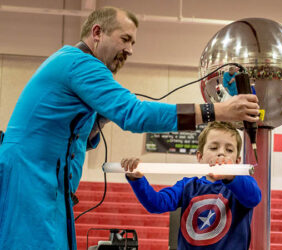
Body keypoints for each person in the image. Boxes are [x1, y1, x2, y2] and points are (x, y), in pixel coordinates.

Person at [0, 6, 260, 250]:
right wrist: (216, 111)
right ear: (97, 33)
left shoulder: (69, 64)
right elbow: (135, 115)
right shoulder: (81, 64)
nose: (131, 49)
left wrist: (100, 120)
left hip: (45, 184)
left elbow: (74, 135)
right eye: (125, 39)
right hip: (31, 182)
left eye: (133, 42)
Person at [122, 121, 261, 249]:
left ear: (237, 161)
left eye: (229, 150)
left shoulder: (242, 184)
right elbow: (156, 204)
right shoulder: (187, 185)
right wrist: (137, 179)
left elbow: (254, 197)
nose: (221, 153)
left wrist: (231, 175)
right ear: (200, 157)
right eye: (213, 147)